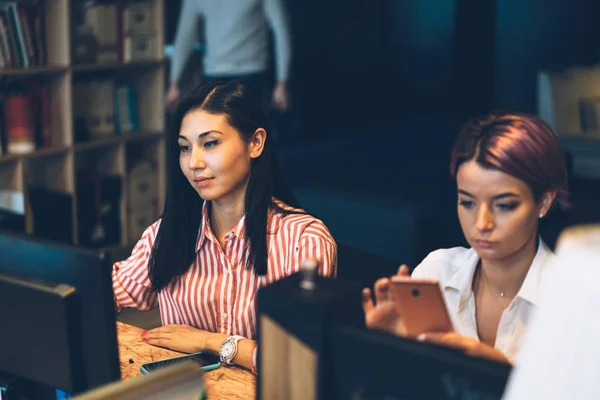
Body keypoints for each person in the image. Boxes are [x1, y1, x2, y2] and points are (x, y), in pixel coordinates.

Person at [113, 80, 336, 373]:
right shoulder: (165, 233)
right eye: (184, 147)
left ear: (255, 143)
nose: (194, 162)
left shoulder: (304, 241)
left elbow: (298, 361)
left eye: (210, 143)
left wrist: (209, 341)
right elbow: (103, 293)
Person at [362, 112, 570, 364]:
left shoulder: (575, 298)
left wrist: (495, 369)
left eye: (504, 205)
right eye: (467, 202)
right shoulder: (436, 272)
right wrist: (386, 347)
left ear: (544, 202)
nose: (482, 224)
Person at [166, 0, 292, 113]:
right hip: (249, 75)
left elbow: (185, 37)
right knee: (250, 136)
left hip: (224, 76)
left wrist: (174, 83)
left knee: (218, 136)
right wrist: (282, 81)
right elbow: (281, 30)